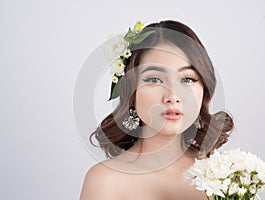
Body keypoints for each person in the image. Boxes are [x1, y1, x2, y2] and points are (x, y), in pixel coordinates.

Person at [80, 20, 234, 200]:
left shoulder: (224, 177)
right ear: (131, 91)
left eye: (188, 79)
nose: (172, 96)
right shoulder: (105, 181)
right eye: (154, 79)